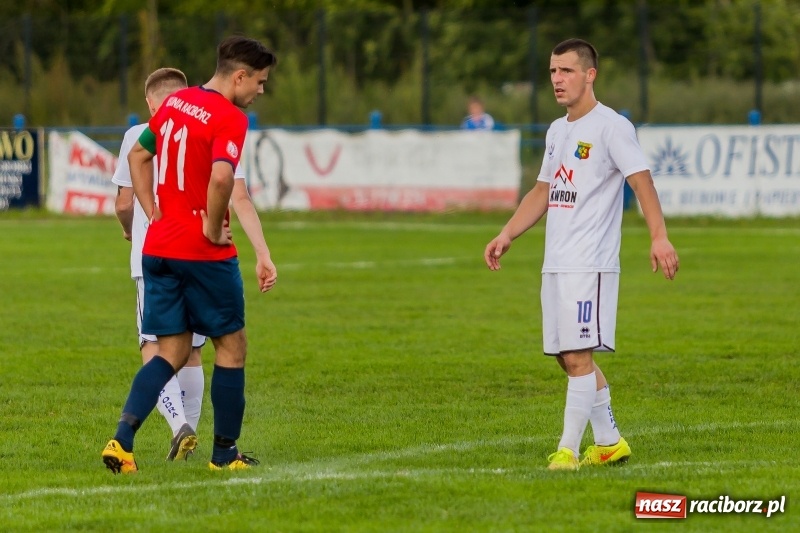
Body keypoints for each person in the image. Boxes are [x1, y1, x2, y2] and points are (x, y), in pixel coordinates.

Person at [483, 38, 679, 471]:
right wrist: (508, 232)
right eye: (553, 71)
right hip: (556, 262)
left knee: (578, 356)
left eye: (566, 71)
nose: (557, 79)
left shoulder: (612, 126)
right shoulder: (558, 130)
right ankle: (609, 442)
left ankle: (567, 451)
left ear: (590, 75)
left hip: (590, 263)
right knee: (565, 356)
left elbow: (642, 181)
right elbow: (543, 191)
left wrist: (658, 236)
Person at [102, 36, 278, 474]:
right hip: (202, 253)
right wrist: (209, 227)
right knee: (231, 347)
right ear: (239, 76)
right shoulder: (230, 117)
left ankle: (121, 442)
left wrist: (153, 213)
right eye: (259, 82)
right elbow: (222, 181)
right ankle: (224, 455)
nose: (260, 91)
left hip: (158, 246)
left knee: (171, 350)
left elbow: (140, 153)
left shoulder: (176, 104)